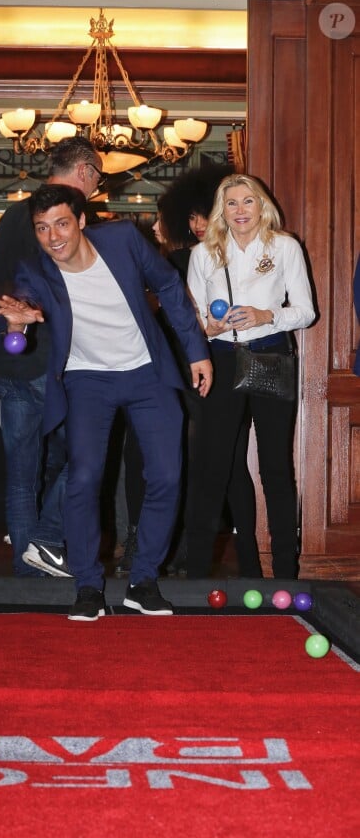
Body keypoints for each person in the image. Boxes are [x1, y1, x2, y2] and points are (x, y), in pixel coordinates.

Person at [0, 183, 212, 621]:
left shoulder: (124, 239)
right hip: (88, 379)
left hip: (147, 373)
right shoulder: (35, 270)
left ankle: (143, 580)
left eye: (61, 224)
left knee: (166, 475)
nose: (53, 237)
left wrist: (197, 350)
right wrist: (17, 329)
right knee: (85, 478)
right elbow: (19, 318)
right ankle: (88, 586)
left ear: (81, 221)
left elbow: (168, 285)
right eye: (42, 228)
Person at [186, 173, 315, 579]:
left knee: (276, 467)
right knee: (213, 466)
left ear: (263, 206)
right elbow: (191, 320)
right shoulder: (203, 253)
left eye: (247, 201)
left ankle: (286, 574)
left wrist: (267, 316)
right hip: (222, 358)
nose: (240, 210)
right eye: (231, 203)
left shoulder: (284, 247)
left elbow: (307, 311)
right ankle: (195, 575)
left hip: (270, 355)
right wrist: (210, 327)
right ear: (220, 210)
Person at [0, 137, 105, 579]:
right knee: (85, 454)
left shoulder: (10, 216)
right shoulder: (62, 219)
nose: (96, 187)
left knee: (22, 474)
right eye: (97, 177)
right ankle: (44, 541)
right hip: (54, 357)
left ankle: (28, 575)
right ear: (84, 170)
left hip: (12, 353)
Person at [151, 164, 262, 579]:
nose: (198, 223)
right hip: (190, 374)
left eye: (204, 214)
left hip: (228, 367)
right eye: (192, 216)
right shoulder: (185, 260)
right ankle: (200, 558)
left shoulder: (234, 255)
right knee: (210, 465)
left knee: (224, 465)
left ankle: (222, 558)